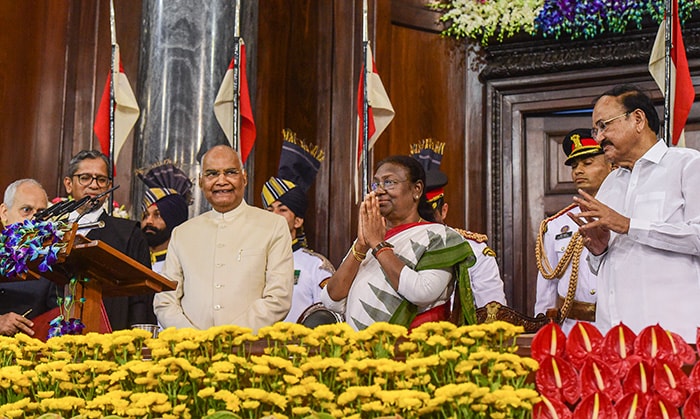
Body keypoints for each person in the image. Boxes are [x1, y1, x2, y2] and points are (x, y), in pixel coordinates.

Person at [571, 85, 700, 342]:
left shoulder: (687, 165)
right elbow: (601, 267)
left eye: (604, 126)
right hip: (615, 338)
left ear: (638, 119)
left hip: (674, 338)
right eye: (596, 130)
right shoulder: (610, 183)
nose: (598, 138)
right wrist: (598, 250)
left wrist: (630, 225)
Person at [320, 155, 478, 331]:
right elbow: (330, 300)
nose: (379, 190)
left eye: (389, 182)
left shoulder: (440, 236)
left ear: (416, 189)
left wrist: (378, 245)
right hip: (360, 351)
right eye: (375, 184)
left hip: (411, 350)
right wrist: (360, 247)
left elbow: (422, 292)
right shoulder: (371, 237)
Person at [154, 144, 294, 332]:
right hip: (192, 352)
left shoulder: (273, 226)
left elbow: (279, 298)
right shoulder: (182, 234)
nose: (221, 181)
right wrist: (193, 339)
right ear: (201, 182)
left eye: (230, 172)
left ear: (244, 178)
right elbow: (165, 299)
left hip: (250, 350)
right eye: (212, 174)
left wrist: (227, 338)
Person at [63, 150, 156, 331]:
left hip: (112, 339)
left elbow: (141, 299)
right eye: (85, 178)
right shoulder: (52, 232)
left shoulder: (129, 234)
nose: (94, 185)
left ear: (108, 188)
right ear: (68, 184)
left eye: (101, 179)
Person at [410, 139, 507, 309]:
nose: (424, 225)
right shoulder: (392, 248)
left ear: (444, 211)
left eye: (428, 216)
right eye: (418, 217)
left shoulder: (474, 251)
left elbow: (493, 313)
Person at [534, 129, 612, 334]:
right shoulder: (556, 224)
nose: (578, 170)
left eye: (588, 163)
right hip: (572, 329)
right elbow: (547, 286)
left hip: (616, 326)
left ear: (611, 165)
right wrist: (545, 330)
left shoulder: (624, 216)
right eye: (574, 165)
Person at [261, 129, 335, 323]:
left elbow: (328, 315)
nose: (274, 217)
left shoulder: (315, 266)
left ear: (298, 221)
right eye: (269, 210)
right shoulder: (253, 260)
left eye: (282, 210)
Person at [0, 179, 59, 336]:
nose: (34, 219)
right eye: (26, 210)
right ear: (4, 213)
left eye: (41, 213)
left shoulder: (53, 264)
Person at [137, 162, 193, 274]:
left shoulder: (186, 266)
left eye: (157, 215)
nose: (149, 221)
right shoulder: (133, 259)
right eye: (146, 215)